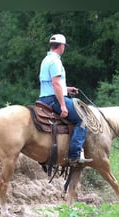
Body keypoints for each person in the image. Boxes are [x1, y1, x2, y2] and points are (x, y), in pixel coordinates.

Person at [38, 34, 93, 166]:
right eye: (64, 46)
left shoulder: (46, 59)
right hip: (54, 99)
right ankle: (74, 155)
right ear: (61, 46)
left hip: (44, 98)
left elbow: (51, 84)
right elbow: (55, 83)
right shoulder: (56, 61)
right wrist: (63, 105)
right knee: (84, 118)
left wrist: (67, 89)